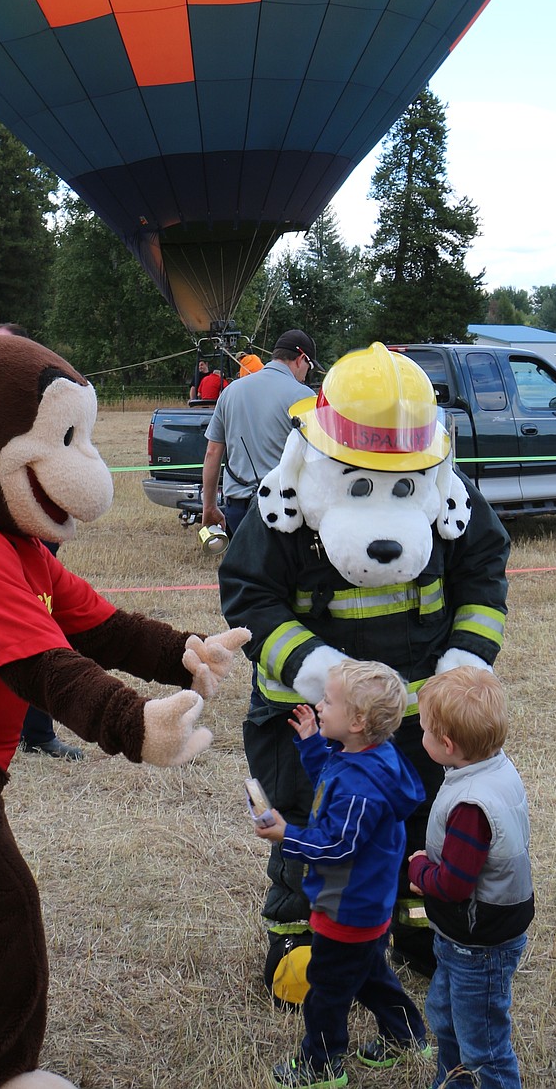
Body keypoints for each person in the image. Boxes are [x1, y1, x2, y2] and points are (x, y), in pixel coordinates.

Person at [219, 344, 511, 989]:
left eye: (402, 479)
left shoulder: (450, 499)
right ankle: (298, 944)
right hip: (306, 721)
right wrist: (322, 675)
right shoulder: (287, 510)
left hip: (416, 723)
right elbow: (250, 599)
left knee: (418, 820)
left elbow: (484, 576)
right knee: (312, 826)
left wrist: (465, 661)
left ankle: (414, 927)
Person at [254, 660, 432, 1088]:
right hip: (365, 904)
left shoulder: (360, 787)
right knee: (370, 973)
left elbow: (336, 845)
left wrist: (285, 834)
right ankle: (407, 1036)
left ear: (357, 721)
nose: (319, 705)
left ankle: (320, 1066)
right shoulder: (367, 757)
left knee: (326, 991)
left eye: (328, 701)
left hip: (347, 906)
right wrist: (313, 743)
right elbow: (329, 786)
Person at [407, 667, 533, 1089]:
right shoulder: (491, 768)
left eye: (424, 730)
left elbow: (455, 884)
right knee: (446, 1016)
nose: (419, 736)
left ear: (447, 745)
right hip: (465, 936)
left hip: (478, 942)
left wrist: (420, 871)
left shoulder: (471, 806)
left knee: (484, 1049)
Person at [0, 321, 83, 761]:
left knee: (39, 629)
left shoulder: (46, 404)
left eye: (1, 349)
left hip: (31, 533)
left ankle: (37, 732)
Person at [201, 329, 317, 540]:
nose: (306, 374)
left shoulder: (230, 391)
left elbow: (212, 453)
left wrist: (208, 506)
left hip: (237, 510)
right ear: (301, 359)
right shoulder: (304, 396)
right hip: (284, 510)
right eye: (308, 367)